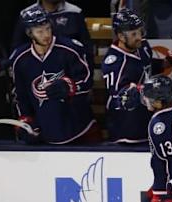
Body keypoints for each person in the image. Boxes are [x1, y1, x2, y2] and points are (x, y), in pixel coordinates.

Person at [9, 5, 99, 145]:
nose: (46, 35)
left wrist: (70, 86)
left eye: (48, 29)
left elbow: (87, 80)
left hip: (79, 128)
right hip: (46, 131)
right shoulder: (20, 59)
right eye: (39, 31)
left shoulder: (71, 49)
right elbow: (21, 95)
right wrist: (25, 121)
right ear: (29, 33)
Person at [101, 8, 155, 144]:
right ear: (120, 36)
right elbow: (117, 98)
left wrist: (168, 62)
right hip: (126, 129)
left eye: (140, 32)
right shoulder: (114, 63)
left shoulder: (143, 47)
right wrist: (130, 94)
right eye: (133, 34)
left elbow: (145, 67)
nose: (139, 37)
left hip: (147, 122)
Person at [12, 0, 93, 69]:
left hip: (69, 69)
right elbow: (17, 47)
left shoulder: (74, 12)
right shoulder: (26, 15)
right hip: (36, 69)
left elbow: (86, 47)